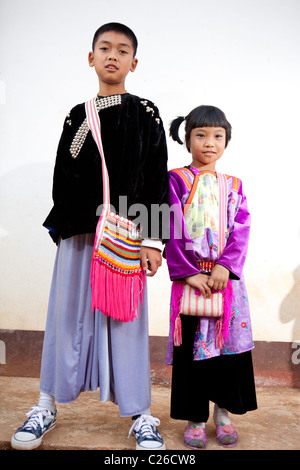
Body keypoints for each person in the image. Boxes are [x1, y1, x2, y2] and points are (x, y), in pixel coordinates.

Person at [11, 22, 168, 451]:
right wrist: (67, 230)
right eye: (104, 48)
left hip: (127, 236)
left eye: (122, 50)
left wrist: (153, 241)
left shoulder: (147, 113)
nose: (112, 55)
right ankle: (45, 404)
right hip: (81, 235)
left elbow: (155, 178)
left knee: (128, 322)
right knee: (65, 319)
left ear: (134, 63)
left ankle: (141, 414)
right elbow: (65, 176)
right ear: (91, 58)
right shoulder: (77, 114)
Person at [164, 105, 257, 449]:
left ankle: (223, 414)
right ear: (187, 138)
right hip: (191, 282)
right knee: (192, 352)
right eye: (200, 134)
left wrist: (224, 267)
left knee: (229, 351)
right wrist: (188, 273)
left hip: (225, 283)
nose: (209, 142)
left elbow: (242, 229)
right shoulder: (175, 180)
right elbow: (168, 226)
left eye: (218, 135)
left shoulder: (234, 185)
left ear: (226, 141)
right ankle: (195, 419)